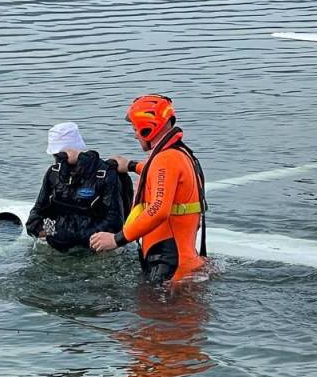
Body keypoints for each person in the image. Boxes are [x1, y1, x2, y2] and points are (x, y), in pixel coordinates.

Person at [89, 95, 208, 282]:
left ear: (148, 128)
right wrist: (131, 165)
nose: (135, 134)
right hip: (180, 260)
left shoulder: (165, 160)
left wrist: (116, 239)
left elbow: (158, 210)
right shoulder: (180, 153)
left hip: (169, 264)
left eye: (135, 128)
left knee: (150, 310)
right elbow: (161, 176)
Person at [25, 122, 127, 253]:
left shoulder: (105, 175)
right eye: (55, 156)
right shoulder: (54, 173)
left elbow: (114, 222)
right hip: (59, 244)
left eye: (59, 155)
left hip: (94, 247)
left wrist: (77, 237)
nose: (57, 161)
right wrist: (51, 232)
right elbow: (37, 214)